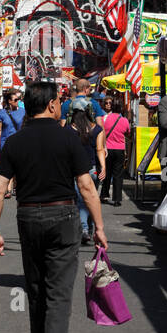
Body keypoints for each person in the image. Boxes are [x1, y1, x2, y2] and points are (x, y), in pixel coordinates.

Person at [0, 82, 108, 333]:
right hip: (63, 216)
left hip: (28, 217)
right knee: (58, 293)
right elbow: (86, 186)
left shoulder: (15, 143)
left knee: (37, 287)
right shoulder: (68, 137)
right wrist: (99, 227)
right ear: (53, 105)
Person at [66, 98, 106, 244]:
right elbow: (100, 149)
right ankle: (87, 228)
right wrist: (104, 167)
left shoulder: (69, 129)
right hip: (93, 169)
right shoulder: (96, 129)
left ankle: (83, 229)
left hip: (75, 170)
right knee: (91, 200)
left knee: (80, 201)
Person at [100, 95, 130, 206]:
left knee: (106, 173)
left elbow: (101, 132)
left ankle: (104, 195)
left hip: (107, 149)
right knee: (118, 175)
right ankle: (117, 199)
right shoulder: (124, 120)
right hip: (119, 149)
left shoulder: (105, 119)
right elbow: (127, 133)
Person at [0, 88, 26, 198]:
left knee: (18, 167)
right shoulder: (2, 113)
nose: (18, 101)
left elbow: (25, 127)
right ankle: (8, 189)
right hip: (5, 143)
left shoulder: (23, 112)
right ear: (9, 101)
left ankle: (16, 187)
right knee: (8, 167)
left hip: (19, 143)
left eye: (18, 99)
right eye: (16, 99)